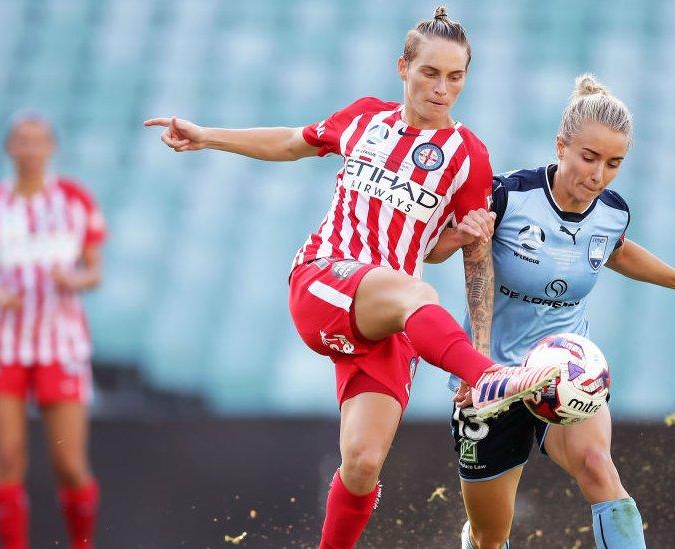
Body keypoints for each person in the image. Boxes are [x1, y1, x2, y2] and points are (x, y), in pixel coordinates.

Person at [143, 8, 559, 548]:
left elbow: (449, 254)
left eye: (456, 77)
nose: (442, 88)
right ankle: (489, 378)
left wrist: (463, 245)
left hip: (389, 316)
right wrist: (207, 137)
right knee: (415, 294)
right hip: (322, 280)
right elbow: (292, 141)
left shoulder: (469, 157)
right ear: (402, 67)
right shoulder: (365, 119)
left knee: (362, 463)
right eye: (430, 72)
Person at [428, 74, 675, 549]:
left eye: (614, 164)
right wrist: (479, 364)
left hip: (568, 372)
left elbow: (615, 251)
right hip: (495, 381)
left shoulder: (612, 212)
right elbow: (446, 257)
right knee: (491, 535)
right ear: (561, 147)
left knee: (599, 469)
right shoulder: (508, 195)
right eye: (589, 158)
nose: (598, 175)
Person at [0, 113, 106, 549]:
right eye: (21, 141)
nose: (30, 149)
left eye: (38, 141)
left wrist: (73, 280)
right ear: (9, 149)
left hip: (60, 343)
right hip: (3, 343)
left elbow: (94, 272)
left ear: (51, 148)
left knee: (70, 464)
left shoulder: (75, 200)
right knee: (7, 456)